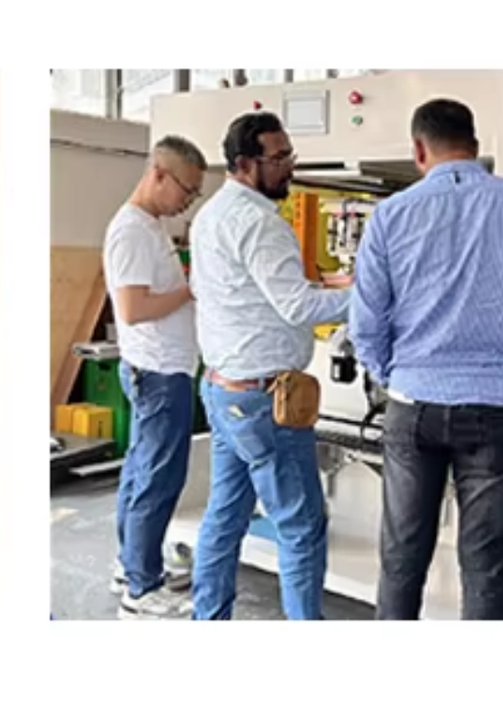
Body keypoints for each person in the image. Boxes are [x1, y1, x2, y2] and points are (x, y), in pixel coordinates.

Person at [349, 98, 503, 620]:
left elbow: (366, 322)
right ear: (476, 147)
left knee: (402, 559)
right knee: (485, 565)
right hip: (497, 411)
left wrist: (394, 376)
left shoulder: (390, 215)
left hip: (413, 406)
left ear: (418, 150)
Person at [188, 111, 351, 620]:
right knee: (301, 525)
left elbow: (257, 295)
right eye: (278, 158)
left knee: (226, 515)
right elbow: (298, 307)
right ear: (244, 163)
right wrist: (370, 296)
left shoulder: (210, 215)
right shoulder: (261, 223)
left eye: (289, 155)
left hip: (224, 390)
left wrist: (326, 286)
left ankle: (208, 618)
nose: (289, 167)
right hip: (265, 400)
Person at [103, 135, 208, 619]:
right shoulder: (131, 232)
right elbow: (133, 308)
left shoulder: (149, 226)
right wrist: (191, 290)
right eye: (187, 189)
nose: (189, 200)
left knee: (141, 471)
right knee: (158, 480)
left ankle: (131, 566)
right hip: (159, 372)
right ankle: (142, 590)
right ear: (159, 174)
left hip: (161, 369)